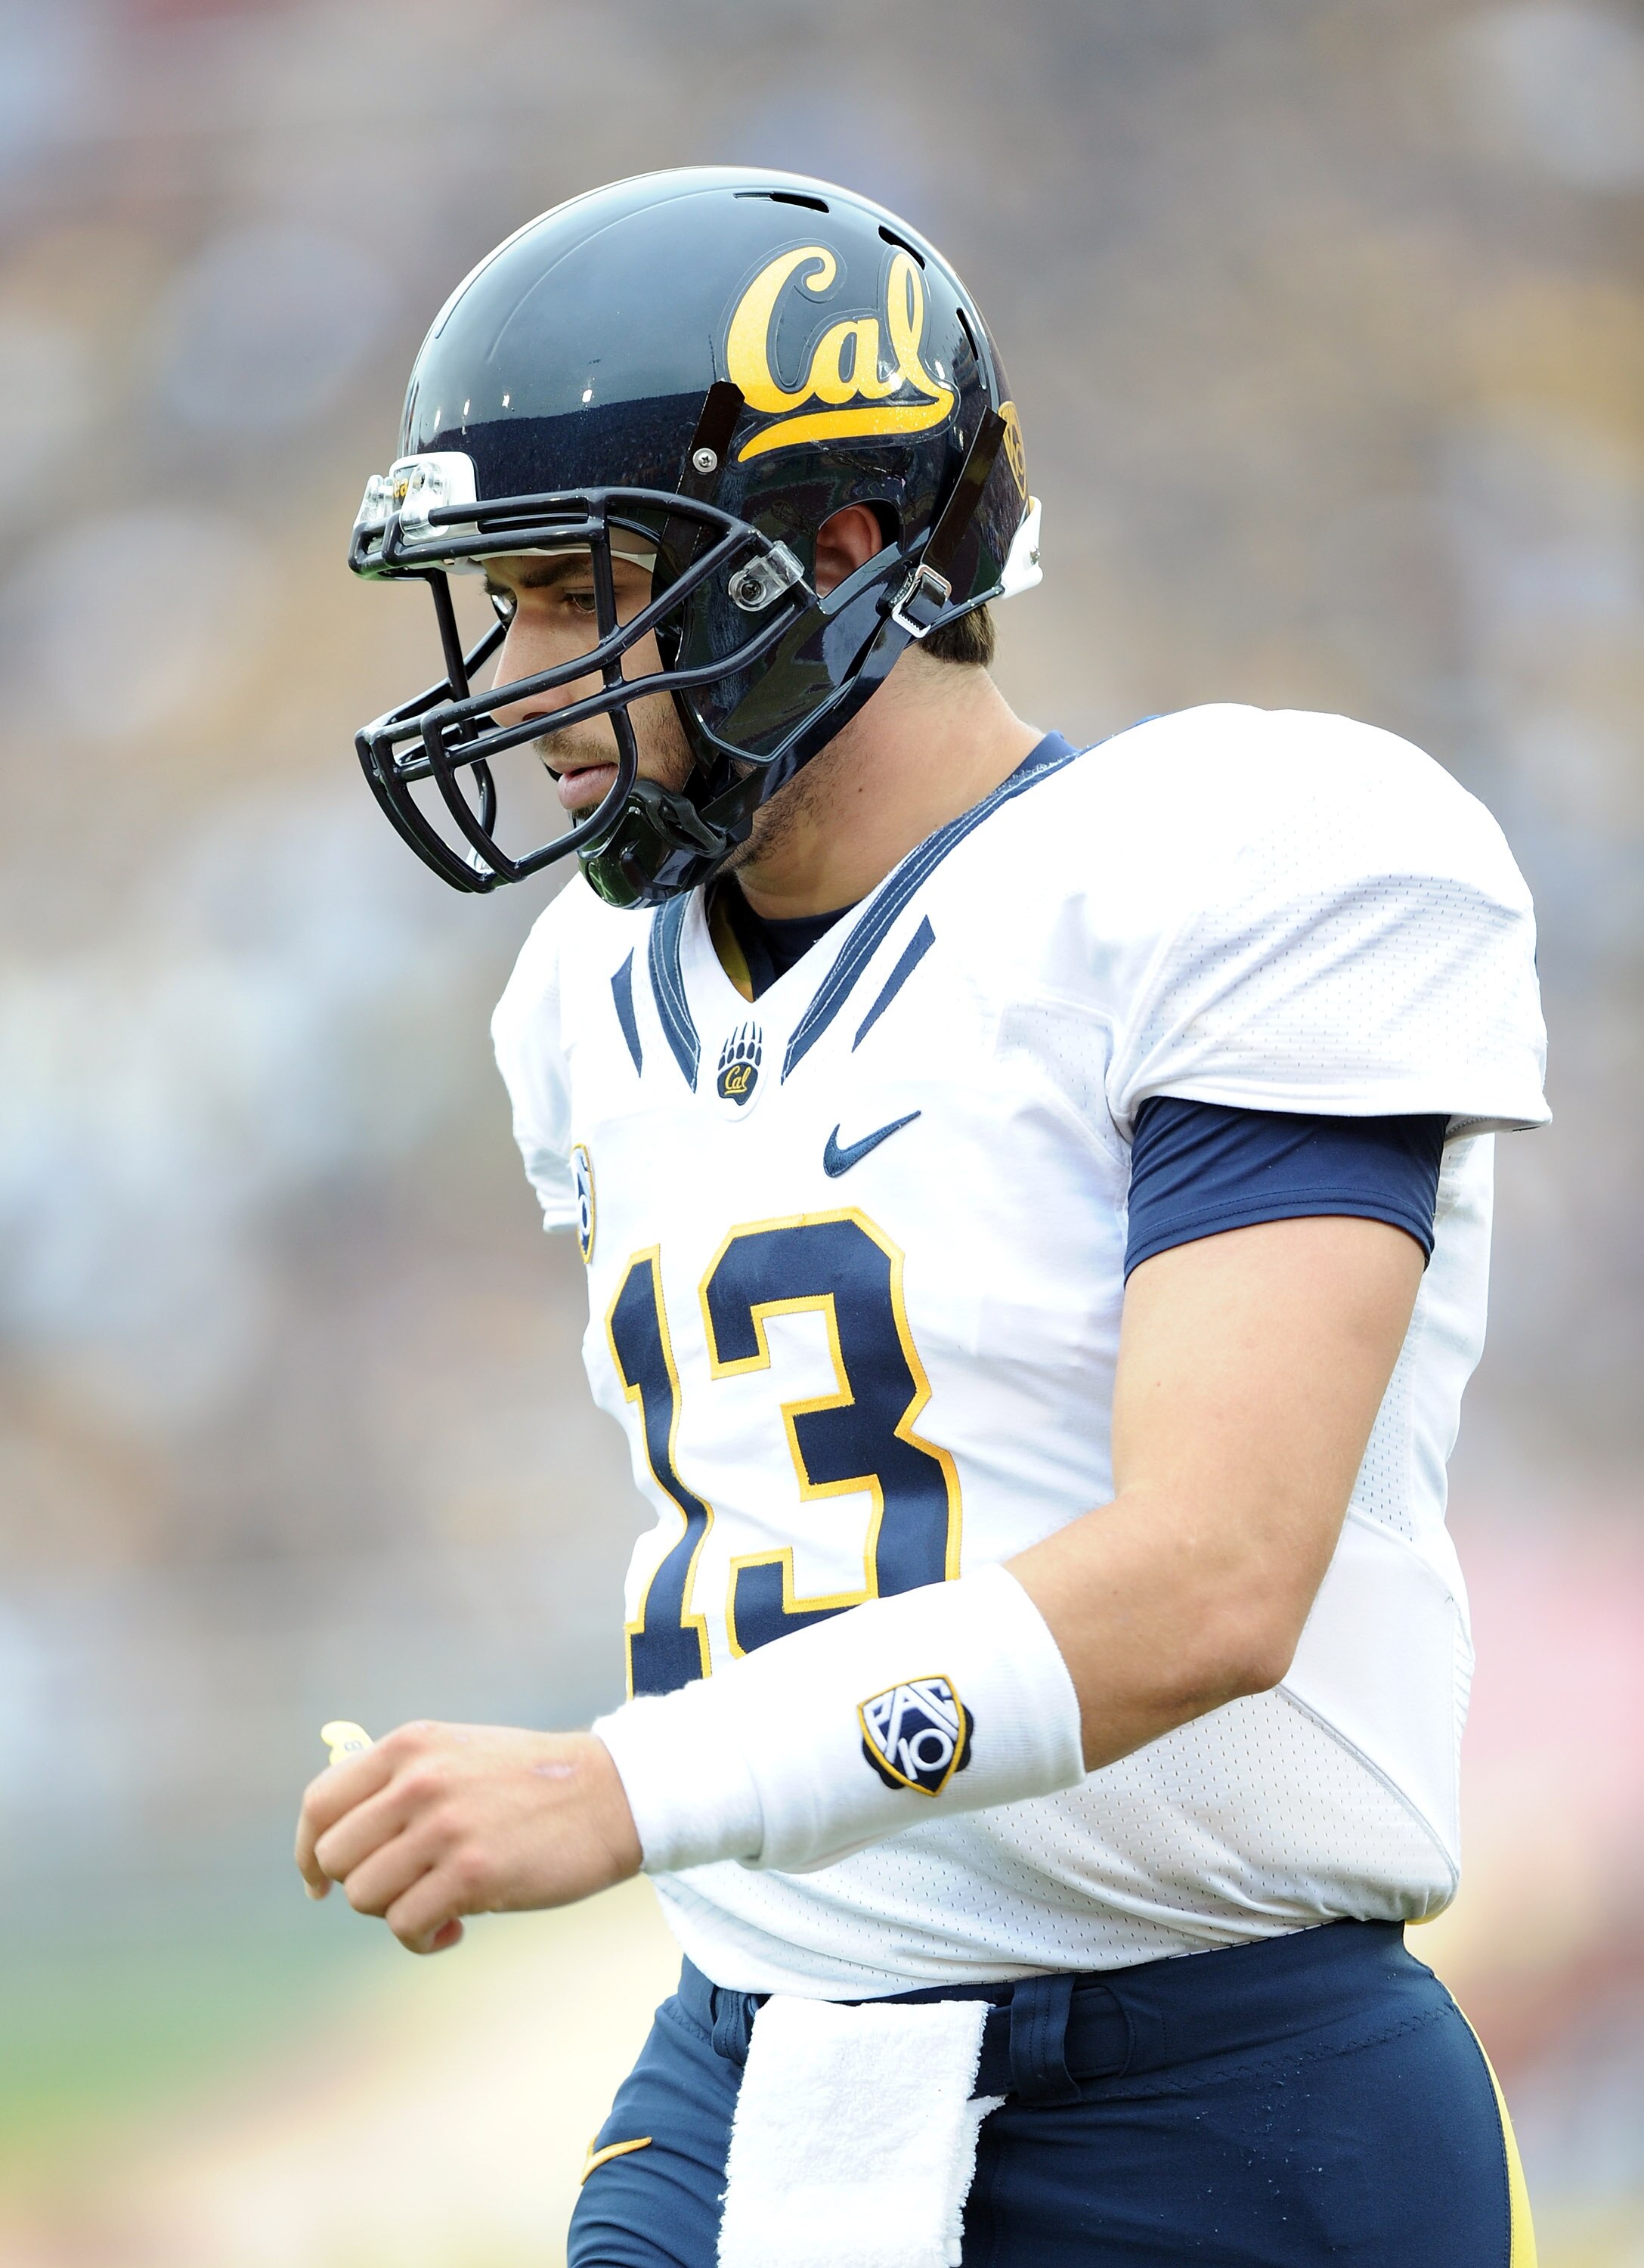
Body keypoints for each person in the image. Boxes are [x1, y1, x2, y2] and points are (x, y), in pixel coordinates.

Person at [296, 167, 1549, 2266]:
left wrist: (624, 1789)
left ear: (835, 558)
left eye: (571, 590)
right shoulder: (584, 1004)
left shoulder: (1243, 866)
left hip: (1219, 2093)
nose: (521, 678)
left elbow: (1216, 1579)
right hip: (761, 2059)